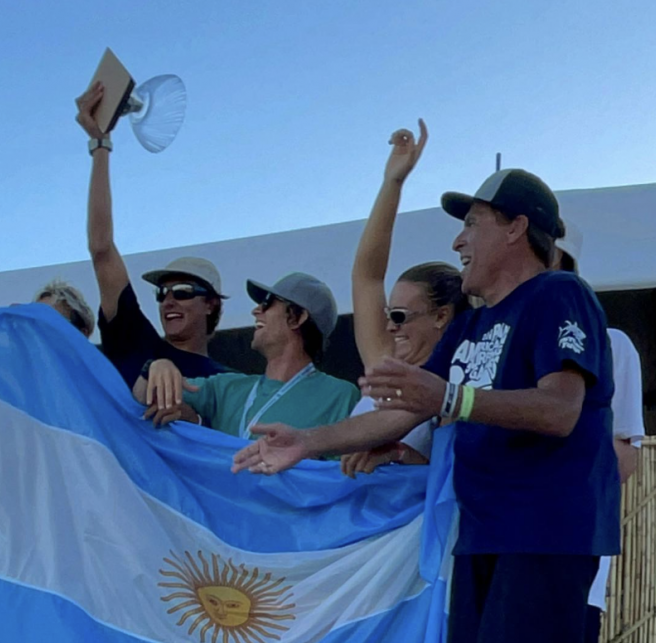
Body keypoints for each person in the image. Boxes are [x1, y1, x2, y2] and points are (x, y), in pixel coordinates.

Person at [233, 169, 620, 643]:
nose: (458, 242)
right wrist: (308, 442)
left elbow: (561, 408)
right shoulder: (469, 325)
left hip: (546, 524)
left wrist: (455, 399)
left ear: (518, 229)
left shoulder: (560, 295)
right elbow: (405, 410)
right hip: (481, 531)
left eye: (471, 224)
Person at [550, 220, 646, 643]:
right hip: (496, 541)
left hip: (571, 544)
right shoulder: (497, 334)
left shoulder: (611, 343)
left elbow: (625, 455)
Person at [75, 81, 230, 387]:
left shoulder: (231, 384)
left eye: (183, 291)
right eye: (162, 294)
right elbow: (101, 249)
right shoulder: (134, 340)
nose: (168, 301)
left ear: (211, 304)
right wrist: (100, 144)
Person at [342, 119, 469, 477]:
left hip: (414, 529)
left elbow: (454, 476)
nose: (387, 325)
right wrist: (392, 182)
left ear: (441, 316)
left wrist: (397, 453)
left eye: (398, 316)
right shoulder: (384, 365)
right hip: (354, 521)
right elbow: (366, 277)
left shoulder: (456, 385)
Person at [22, 280, 103, 643]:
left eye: (53, 322)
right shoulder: (8, 388)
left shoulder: (102, 384)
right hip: (30, 567)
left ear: (80, 331)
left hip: (92, 563)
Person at [135, 272, 359, 436]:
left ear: (298, 317)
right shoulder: (226, 387)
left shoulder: (340, 396)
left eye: (268, 303)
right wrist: (156, 368)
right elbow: (141, 398)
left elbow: (344, 477)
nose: (256, 310)